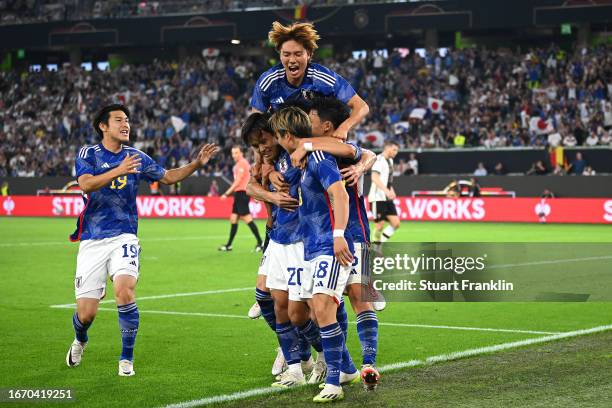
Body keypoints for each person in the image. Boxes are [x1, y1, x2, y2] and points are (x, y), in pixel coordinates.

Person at [66, 104, 218, 376]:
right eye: (118, 120)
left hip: (124, 235)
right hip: (92, 239)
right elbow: (86, 184)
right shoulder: (88, 154)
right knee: (86, 314)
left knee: (125, 290)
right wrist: (119, 170)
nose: (126, 124)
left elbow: (168, 177)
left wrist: (196, 164)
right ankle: (80, 338)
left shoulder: (136, 156)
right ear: (103, 126)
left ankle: (126, 358)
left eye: (128, 120)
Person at [270, 106, 357, 403]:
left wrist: (338, 235)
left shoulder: (319, 157)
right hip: (310, 248)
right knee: (315, 311)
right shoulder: (302, 162)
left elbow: (340, 194)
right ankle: (345, 369)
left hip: (328, 245)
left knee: (322, 309)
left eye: (278, 136)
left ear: (287, 135)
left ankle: (334, 382)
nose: (277, 141)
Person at [251, 21, 369, 140]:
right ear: (280, 56)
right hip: (285, 144)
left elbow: (361, 106)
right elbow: (256, 121)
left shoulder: (322, 78)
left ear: (308, 54)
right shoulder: (268, 81)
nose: (292, 60)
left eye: (298, 54)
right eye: (286, 54)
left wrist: (344, 127)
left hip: (320, 143)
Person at [218, 146, 263, 251]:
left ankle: (260, 243)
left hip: (242, 194)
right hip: (239, 194)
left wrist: (226, 193)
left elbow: (238, 181)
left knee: (247, 218)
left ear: (241, 153)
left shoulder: (242, 163)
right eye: (233, 153)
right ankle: (229, 245)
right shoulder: (240, 164)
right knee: (233, 219)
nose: (234, 155)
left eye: (236, 153)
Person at [368, 141, 400, 244]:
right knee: (379, 225)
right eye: (394, 150)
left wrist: (392, 190)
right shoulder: (379, 160)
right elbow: (374, 177)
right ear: (387, 148)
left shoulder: (390, 161)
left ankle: (378, 244)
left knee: (396, 224)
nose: (396, 152)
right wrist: (386, 191)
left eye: (397, 150)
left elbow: (388, 180)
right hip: (377, 198)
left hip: (386, 198)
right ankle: (376, 248)